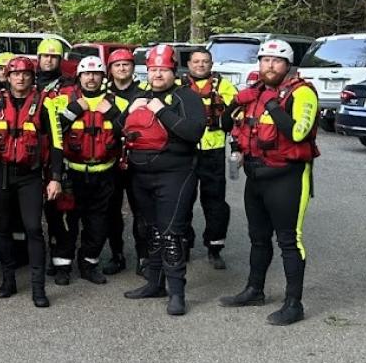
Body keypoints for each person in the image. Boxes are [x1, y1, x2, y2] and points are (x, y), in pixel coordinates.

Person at [220, 39, 320, 326]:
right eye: (265, 60)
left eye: (276, 61)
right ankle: (255, 290)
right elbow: (226, 125)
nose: (270, 65)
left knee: (289, 240)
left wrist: (271, 104)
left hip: (287, 176)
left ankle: (294, 304)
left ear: (287, 65)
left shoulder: (303, 93)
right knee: (258, 237)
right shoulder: (254, 92)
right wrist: (235, 104)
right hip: (256, 175)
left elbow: (298, 134)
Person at [120, 45, 205, 316]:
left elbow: (194, 132)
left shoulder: (186, 97)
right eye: (153, 69)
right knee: (150, 230)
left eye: (163, 70)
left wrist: (160, 110)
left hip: (175, 174)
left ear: (173, 71)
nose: (157, 74)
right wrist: (129, 110)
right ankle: (153, 283)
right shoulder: (140, 95)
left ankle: (177, 292)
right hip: (140, 174)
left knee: (171, 233)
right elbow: (121, 128)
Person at [0, 56, 56, 306]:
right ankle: (8, 280)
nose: (20, 78)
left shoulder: (45, 103)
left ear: (32, 77)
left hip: (30, 175)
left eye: (25, 74)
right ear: (8, 76)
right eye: (15, 74)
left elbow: (56, 144)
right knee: (2, 228)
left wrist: (55, 178)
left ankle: (38, 288)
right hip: (1, 172)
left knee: (33, 228)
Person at [52, 56, 129, 288]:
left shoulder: (118, 103)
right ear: (79, 77)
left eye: (96, 74)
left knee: (97, 224)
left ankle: (88, 265)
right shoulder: (64, 100)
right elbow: (51, 130)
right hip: (71, 173)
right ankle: (62, 267)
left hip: (104, 174)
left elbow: (127, 130)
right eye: (86, 74)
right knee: (67, 223)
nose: (91, 78)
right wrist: (73, 110)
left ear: (104, 77)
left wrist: (112, 114)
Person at [182, 48, 237, 269]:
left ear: (211, 64)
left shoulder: (224, 86)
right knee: (183, 201)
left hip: (213, 154)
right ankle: (183, 244)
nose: (201, 65)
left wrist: (237, 147)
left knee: (215, 203)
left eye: (205, 61)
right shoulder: (179, 85)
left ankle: (215, 248)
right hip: (185, 152)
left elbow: (237, 117)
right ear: (189, 64)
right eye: (196, 61)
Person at [36, 38, 78, 280]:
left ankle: (62, 263)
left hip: (61, 157)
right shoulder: (29, 85)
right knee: (36, 214)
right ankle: (42, 257)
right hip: (33, 158)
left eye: (53, 56)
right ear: (38, 59)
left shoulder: (70, 88)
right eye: (45, 56)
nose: (49, 60)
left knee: (61, 211)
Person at [103, 48, 142, 275]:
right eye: (117, 65)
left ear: (133, 67)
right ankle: (116, 255)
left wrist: (114, 114)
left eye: (126, 64)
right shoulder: (103, 93)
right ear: (110, 69)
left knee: (141, 211)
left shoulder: (143, 93)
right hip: (111, 159)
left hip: (138, 160)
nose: (122, 68)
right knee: (112, 211)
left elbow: (130, 127)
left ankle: (144, 257)